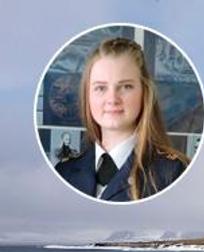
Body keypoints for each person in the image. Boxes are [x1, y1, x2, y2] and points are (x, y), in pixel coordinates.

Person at [55, 37, 189, 202]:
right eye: (101, 88)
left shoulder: (172, 173)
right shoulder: (64, 171)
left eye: (126, 86)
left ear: (144, 93)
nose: (112, 99)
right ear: (87, 96)